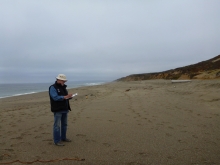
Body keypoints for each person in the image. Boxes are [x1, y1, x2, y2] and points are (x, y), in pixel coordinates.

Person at [49, 74, 73, 146]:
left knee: (64, 124)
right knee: (57, 125)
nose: (64, 82)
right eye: (63, 80)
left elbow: (65, 97)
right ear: (58, 80)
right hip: (57, 109)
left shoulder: (63, 87)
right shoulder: (53, 87)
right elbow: (55, 97)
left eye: (64, 81)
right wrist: (65, 97)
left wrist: (69, 97)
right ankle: (56, 141)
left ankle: (63, 137)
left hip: (65, 108)